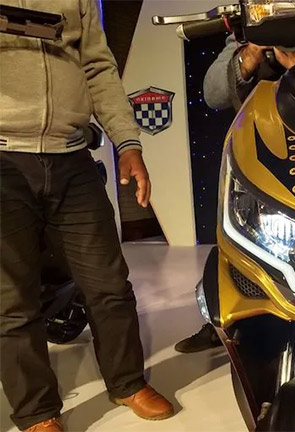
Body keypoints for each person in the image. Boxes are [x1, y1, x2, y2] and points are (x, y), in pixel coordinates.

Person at [0, 1, 174, 431]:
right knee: (12, 299)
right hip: (4, 159)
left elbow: (97, 66)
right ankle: (37, 412)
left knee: (109, 284)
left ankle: (127, 382)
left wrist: (127, 143)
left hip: (73, 158)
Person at [174, 36, 295, 353]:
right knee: (240, 231)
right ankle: (229, 317)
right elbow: (213, 94)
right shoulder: (256, 28)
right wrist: (253, 51)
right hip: (263, 152)